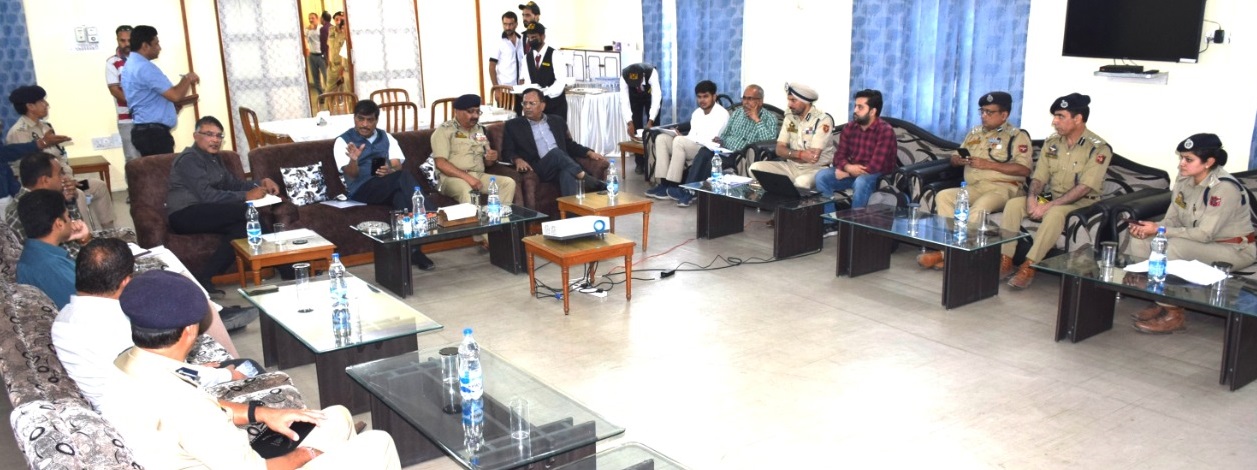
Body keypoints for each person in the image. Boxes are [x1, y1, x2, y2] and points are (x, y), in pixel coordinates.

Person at [111, 270, 402, 469]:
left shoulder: (129, 362)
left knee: (335, 416)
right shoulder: (185, 403)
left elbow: (198, 414)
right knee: (379, 443)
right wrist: (307, 455)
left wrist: (261, 413)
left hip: (205, 456)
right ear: (190, 330)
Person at [52, 239, 248, 416]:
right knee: (245, 366)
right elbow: (162, 375)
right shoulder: (117, 324)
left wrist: (193, 369)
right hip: (149, 409)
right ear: (126, 281)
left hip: (124, 398)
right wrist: (227, 375)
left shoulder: (63, 318)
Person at [1125, 134, 1254, 334]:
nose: (1181, 164)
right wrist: (1150, 228)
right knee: (1142, 241)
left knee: (1170, 247)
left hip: (1233, 249)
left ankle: (1174, 314)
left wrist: (1159, 230)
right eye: (1181, 158)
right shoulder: (1185, 180)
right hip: (1202, 242)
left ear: (1208, 162)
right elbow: (1172, 220)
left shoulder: (1223, 188)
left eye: (1188, 159)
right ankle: (1161, 301)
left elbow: (1204, 234)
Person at [1001, 93, 1112, 289]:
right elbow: (1039, 177)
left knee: (1054, 214)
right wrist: (1032, 199)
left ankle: (1029, 265)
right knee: (1014, 205)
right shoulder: (1052, 142)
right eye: (1055, 116)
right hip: (1053, 196)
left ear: (1078, 119)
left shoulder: (1098, 149)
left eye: (1061, 116)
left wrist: (1047, 206)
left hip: (1083, 201)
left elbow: (1084, 187)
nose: (1054, 121)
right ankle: (1005, 259)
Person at [917, 92, 1032, 269]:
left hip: (1002, 188)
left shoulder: (1017, 136)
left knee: (979, 207)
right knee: (944, 196)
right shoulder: (974, 133)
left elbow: (1024, 169)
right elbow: (954, 157)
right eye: (982, 111)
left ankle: (950, 254)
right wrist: (958, 160)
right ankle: (950, 248)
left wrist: (988, 164)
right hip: (974, 186)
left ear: (1004, 115)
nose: (984, 116)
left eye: (989, 112)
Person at [167, 116, 280, 291]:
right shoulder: (189, 159)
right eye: (209, 134)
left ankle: (204, 279)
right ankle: (286, 266)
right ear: (196, 136)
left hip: (205, 210)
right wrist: (246, 196)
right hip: (184, 214)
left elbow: (234, 184)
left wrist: (261, 182)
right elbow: (207, 196)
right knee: (249, 213)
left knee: (242, 228)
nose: (215, 140)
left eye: (219, 136)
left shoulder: (214, 159)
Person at [333, 100, 434, 270]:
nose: (365, 124)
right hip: (361, 189)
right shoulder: (343, 141)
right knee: (403, 177)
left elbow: (397, 165)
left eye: (370, 120)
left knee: (400, 197)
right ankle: (430, 214)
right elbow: (351, 174)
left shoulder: (386, 137)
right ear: (354, 118)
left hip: (385, 185)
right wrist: (353, 160)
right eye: (361, 119)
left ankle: (413, 251)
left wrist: (390, 170)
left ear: (376, 120)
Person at [6, 85, 116, 230]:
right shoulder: (19, 132)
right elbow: (34, 170)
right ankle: (86, 237)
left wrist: (68, 178)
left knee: (98, 186)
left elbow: (60, 158)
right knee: (78, 195)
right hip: (42, 188)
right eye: (41, 101)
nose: (46, 104)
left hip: (63, 180)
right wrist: (63, 182)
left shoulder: (45, 126)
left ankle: (110, 232)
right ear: (30, 106)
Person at [501, 88, 606, 197]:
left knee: (566, 173)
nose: (527, 107)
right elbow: (507, 151)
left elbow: (569, 145)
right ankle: (589, 180)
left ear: (542, 106)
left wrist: (589, 152)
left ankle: (571, 208)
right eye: (524, 103)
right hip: (540, 167)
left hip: (562, 164)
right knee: (556, 153)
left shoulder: (557, 121)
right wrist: (517, 159)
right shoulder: (513, 125)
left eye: (532, 103)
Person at [645, 80, 729, 206]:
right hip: (692, 145)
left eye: (705, 96)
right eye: (699, 97)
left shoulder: (721, 114)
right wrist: (681, 136)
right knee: (662, 138)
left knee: (679, 141)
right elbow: (692, 135)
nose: (702, 100)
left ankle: (673, 184)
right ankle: (663, 183)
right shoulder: (697, 113)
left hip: (706, 149)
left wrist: (684, 139)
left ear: (714, 96)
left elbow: (711, 140)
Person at [814, 88, 895, 218]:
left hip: (877, 176)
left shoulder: (885, 131)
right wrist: (847, 167)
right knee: (821, 176)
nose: (855, 110)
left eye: (860, 107)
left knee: (861, 182)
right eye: (855, 106)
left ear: (872, 111)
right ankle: (830, 221)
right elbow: (838, 157)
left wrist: (847, 172)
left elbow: (875, 166)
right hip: (852, 172)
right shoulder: (850, 128)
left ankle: (854, 224)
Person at [121, 25, 199, 156]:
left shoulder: (130, 65)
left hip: (144, 130)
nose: (159, 48)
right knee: (162, 169)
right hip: (153, 134)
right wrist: (187, 78)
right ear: (145, 46)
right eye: (156, 43)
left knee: (153, 169)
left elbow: (148, 98)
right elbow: (175, 95)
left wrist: (170, 107)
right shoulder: (144, 67)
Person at [683, 84, 781, 185]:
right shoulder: (737, 113)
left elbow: (769, 142)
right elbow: (725, 134)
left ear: (760, 101)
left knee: (713, 162)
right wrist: (720, 140)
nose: (746, 102)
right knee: (704, 152)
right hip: (726, 151)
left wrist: (756, 119)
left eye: (750, 99)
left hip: (741, 156)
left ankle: (702, 191)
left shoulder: (770, 118)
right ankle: (688, 188)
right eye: (744, 98)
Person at [432, 94, 517, 206]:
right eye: (470, 111)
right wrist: (468, 178)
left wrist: (491, 158)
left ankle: (498, 216)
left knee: (508, 183)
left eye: (478, 112)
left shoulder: (479, 130)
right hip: (451, 178)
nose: (475, 116)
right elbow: (441, 163)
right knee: (468, 192)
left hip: (477, 175)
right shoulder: (444, 130)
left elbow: (487, 162)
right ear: (457, 111)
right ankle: (474, 217)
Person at [748, 82, 835, 188]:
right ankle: (778, 196)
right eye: (788, 100)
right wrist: (800, 155)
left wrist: (789, 153)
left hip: (815, 169)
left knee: (802, 182)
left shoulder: (822, 120)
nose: (789, 104)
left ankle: (785, 194)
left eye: (793, 100)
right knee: (755, 168)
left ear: (805, 102)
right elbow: (779, 149)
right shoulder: (790, 117)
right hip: (791, 167)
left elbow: (812, 157)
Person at [15, 189, 88, 309]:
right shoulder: (50, 267)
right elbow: (92, 303)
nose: (71, 221)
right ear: (59, 223)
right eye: (68, 216)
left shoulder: (35, 254)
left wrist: (84, 240)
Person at [519, 23, 572, 119]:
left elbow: (560, 82)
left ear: (542, 36)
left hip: (555, 107)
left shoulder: (555, 55)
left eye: (534, 37)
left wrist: (543, 93)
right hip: (536, 110)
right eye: (529, 38)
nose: (531, 40)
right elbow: (528, 81)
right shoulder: (527, 58)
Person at [105, 25, 141, 162]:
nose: (126, 44)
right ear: (117, 40)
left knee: (150, 157)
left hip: (148, 117)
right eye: (122, 40)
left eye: (129, 40)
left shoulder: (142, 59)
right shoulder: (112, 62)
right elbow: (114, 90)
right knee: (132, 158)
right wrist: (137, 104)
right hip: (127, 118)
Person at [620, 62, 662, 174]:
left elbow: (656, 98)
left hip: (650, 96)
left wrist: (651, 121)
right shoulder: (624, 76)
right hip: (634, 98)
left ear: (642, 76)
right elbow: (624, 101)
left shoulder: (651, 73)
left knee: (654, 128)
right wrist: (629, 122)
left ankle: (653, 161)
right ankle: (639, 163)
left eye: (637, 83)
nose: (635, 86)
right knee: (635, 125)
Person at [490, 11, 525, 87]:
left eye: (510, 24)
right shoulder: (498, 42)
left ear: (516, 24)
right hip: (504, 88)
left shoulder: (522, 40)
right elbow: (492, 66)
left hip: (520, 87)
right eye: (505, 24)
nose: (507, 27)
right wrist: (496, 87)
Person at [324, 12, 347, 94]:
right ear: (334, 20)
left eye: (341, 19)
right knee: (329, 92)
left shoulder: (346, 32)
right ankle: (328, 104)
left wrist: (342, 69)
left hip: (343, 67)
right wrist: (329, 61)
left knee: (346, 93)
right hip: (332, 66)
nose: (339, 21)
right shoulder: (331, 30)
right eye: (337, 19)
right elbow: (329, 46)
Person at [305, 12, 326, 98]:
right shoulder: (307, 29)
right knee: (315, 78)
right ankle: (321, 96)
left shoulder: (321, 28)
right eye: (309, 18)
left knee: (326, 76)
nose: (311, 20)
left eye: (312, 18)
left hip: (321, 55)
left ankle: (330, 96)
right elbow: (305, 39)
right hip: (312, 55)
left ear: (317, 18)